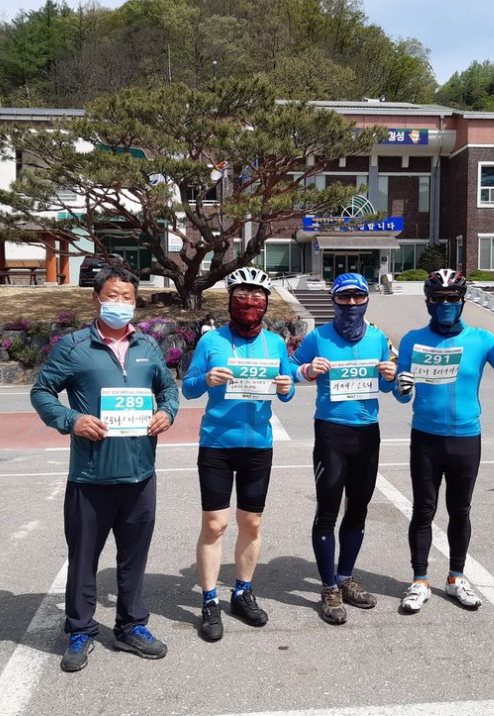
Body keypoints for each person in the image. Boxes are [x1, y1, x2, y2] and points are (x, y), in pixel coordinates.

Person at [30, 265, 179, 672]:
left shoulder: (148, 345)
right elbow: (42, 391)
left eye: (127, 297)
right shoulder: (74, 346)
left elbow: (168, 388)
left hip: (140, 474)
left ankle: (131, 626)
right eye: (113, 295)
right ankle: (80, 629)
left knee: (133, 558)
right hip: (90, 476)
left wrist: (167, 412)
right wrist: (71, 420)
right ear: (96, 298)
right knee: (83, 558)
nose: (120, 303)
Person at [393, 268, 494, 613]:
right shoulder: (412, 340)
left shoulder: (480, 339)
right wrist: (402, 386)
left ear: (462, 301)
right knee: (423, 510)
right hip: (426, 438)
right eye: (438, 298)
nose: (445, 304)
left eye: (452, 298)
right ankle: (420, 581)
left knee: (460, 510)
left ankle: (456, 577)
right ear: (428, 302)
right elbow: (401, 392)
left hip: (465, 439)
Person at [181, 266, 296, 642]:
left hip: (258, 445)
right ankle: (210, 599)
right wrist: (206, 379)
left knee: (252, 523)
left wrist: (286, 387)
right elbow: (189, 388)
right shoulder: (211, 341)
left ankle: (242, 592)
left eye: (257, 297)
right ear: (230, 301)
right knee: (215, 525)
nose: (250, 303)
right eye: (242, 296)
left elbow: (287, 389)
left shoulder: (275, 343)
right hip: (217, 443)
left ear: (266, 304)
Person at [290, 272, 396, 625]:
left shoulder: (378, 338)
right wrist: (307, 370)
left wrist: (390, 375)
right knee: (327, 511)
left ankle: (345, 577)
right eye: (344, 297)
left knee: (359, 509)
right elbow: (289, 368)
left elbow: (387, 386)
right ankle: (328, 587)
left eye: (357, 297)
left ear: (366, 299)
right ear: (333, 300)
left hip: (368, 434)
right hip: (331, 433)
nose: (351, 303)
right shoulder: (318, 337)